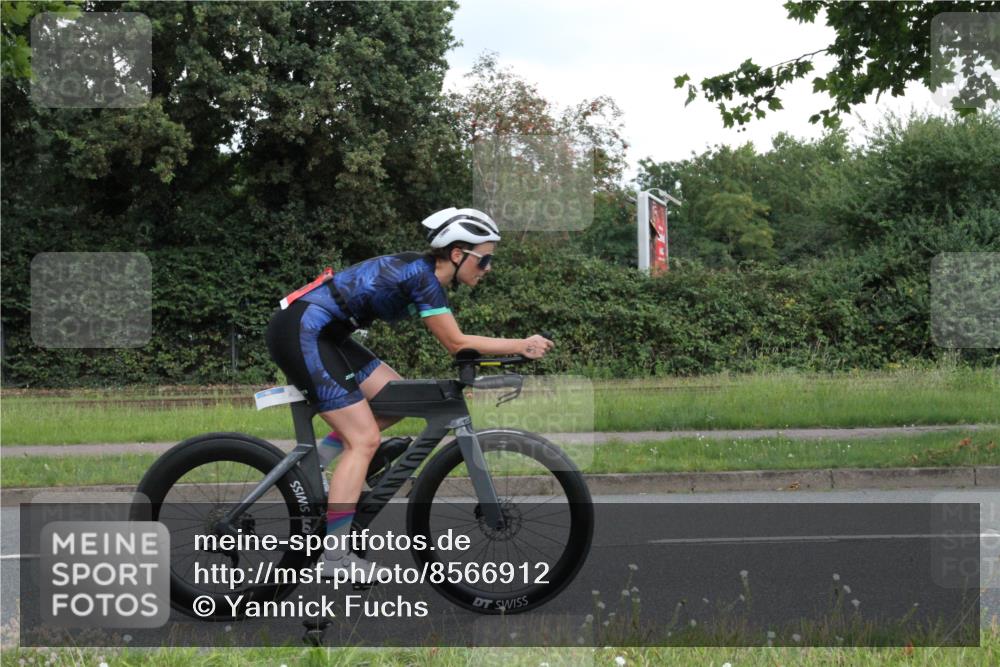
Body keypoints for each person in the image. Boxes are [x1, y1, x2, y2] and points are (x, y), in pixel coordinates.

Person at [265, 207, 555, 582]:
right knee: (364, 439)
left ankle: (317, 465)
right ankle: (334, 556)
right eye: (484, 260)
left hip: (325, 333)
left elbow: (455, 341)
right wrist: (522, 344)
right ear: (457, 253)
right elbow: (455, 342)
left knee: (394, 397)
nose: (487, 269)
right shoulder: (423, 278)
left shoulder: (423, 275)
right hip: (304, 331)